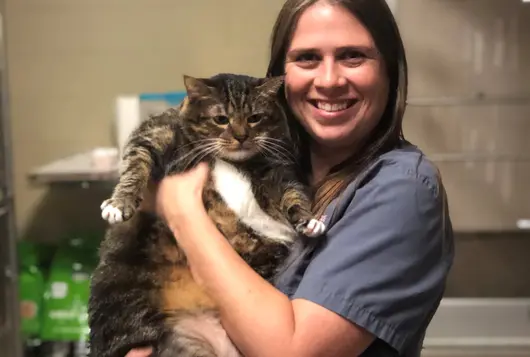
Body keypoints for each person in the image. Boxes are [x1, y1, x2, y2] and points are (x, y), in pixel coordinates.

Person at [126, 0, 455, 356]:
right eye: (307, 58)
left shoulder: (401, 189)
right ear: (279, 76)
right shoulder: (275, 162)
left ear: (389, 71)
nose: (329, 80)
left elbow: (292, 351)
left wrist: (182, 212)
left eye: (352, 56)